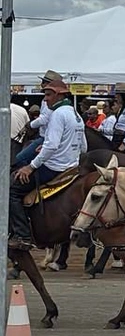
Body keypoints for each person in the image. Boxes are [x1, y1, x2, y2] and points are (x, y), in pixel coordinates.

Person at [10, 79, 83, 250]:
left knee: (11, 190)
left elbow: (51, 146)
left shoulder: (58, 114)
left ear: (59, 95)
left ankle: (22, 234)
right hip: (71, 166)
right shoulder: (76, 114)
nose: (45, 99)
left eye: (49, 95)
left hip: (55, 168)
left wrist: (31, 167)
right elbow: (83, 145)